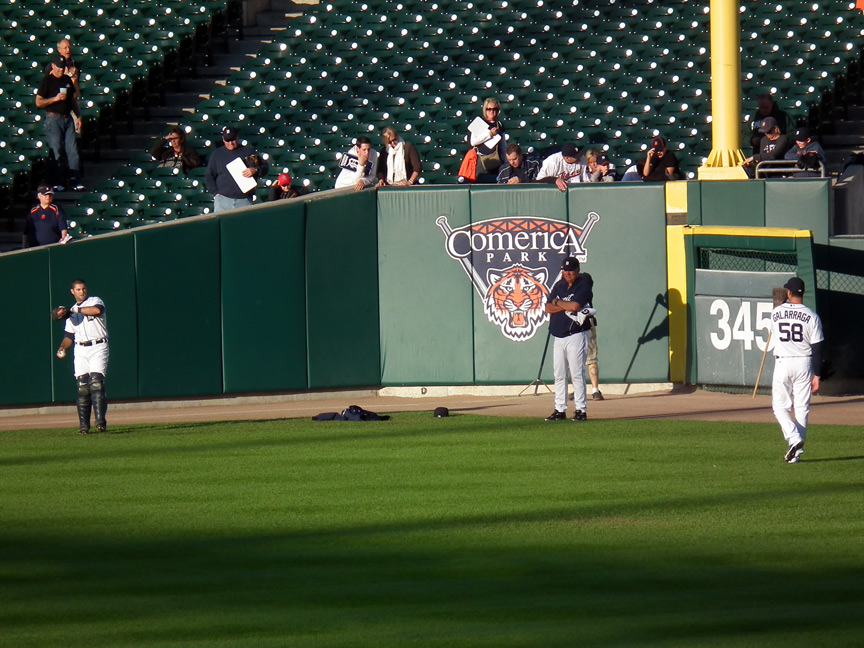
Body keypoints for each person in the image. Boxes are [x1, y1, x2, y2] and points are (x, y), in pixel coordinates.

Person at [770, 277, 823, 464]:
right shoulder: (812, 316)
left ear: (789, 293)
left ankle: (794, 440)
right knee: (802, 408)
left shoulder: (776, 313)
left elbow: (775, 329)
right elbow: (817, 349)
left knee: (780, 407)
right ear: (803, 293)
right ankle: (796, 454)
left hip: (783, 362)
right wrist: (817, 375)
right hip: (804, 363)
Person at [544, 257, 595, 422]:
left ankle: (581, 409)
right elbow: (547, 307)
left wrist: (558, 302)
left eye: (571, 270)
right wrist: (562, 305)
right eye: (565, 270)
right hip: (558, 334)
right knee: (559, 374)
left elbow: (575, 306)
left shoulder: (583, 285)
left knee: (576, 373)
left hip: (576, 333)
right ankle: (560, 409)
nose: (567, 273)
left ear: (577, 270)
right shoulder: (559, 285)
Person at [56, 279, 109, 435]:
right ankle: (84, 426)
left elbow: (97, 311)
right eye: (78, 289)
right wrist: (62, 347)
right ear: (73, 292)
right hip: (80, 349)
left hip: (98, 345)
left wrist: (76, 311)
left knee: (97, 383)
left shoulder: (94, 301)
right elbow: (69, 336)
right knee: (82, 387)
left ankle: (100, 422)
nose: (82, 291)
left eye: (83, 288)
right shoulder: (71, 312)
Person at [37, 55, 84, 192]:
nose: (60, 70)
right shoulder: (47, 81)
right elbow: (39, 102)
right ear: (53, 66)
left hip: (68, 118)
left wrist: (78, 116)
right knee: (56, 151)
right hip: (54, 118)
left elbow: (72, 100)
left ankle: (75, 180)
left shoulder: (67, 79)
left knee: (72, 150)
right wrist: (54, 99)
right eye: (58, 67)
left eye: (62, 67)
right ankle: (57, 182)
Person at [205, 126, 267, 213]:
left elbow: (265, 167)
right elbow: (209, 176)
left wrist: (255, 170)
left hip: (244, 200)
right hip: (223, 200)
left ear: (237, 137)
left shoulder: (248, 151)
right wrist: (215, 193)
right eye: (227, 140)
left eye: (233, 139)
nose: (230, 143)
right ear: (223, 139)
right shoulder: (217, 154)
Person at [470, 97, 507, 183]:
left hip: (496, 161)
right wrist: (489, 135)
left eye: (494, 109)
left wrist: (506, 162)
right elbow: (473, 142)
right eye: (489, 109)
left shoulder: (499, 124)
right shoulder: (479, 122)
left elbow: (503, 145)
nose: (491, 111)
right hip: (482, 160)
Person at [748, 90, 790, 155]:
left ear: (771, 104)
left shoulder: (782, 116)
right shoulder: (754, 116)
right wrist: (751, 140)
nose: (763, 110)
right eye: (761, 107)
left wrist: (778, 140)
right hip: (758, 151)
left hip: (778, 151)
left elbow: (791, 134)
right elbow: (746, 133)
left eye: (766, 107)